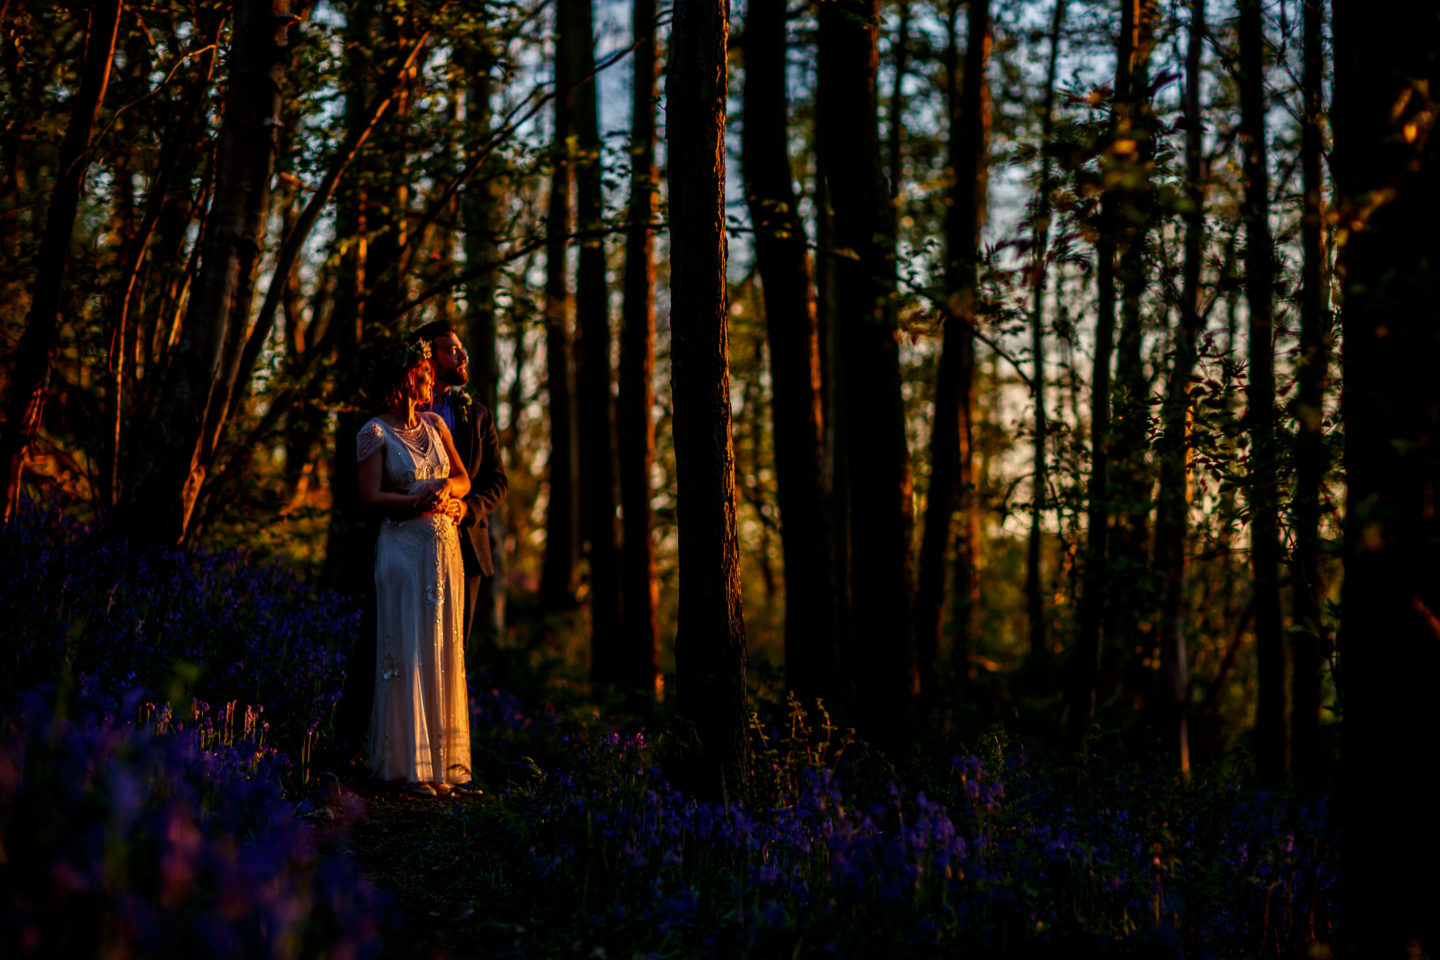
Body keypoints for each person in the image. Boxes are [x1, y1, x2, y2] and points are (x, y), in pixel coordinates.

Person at [355, 340, 473, 797]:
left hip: (443, 551)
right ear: (407, 377)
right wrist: (413, 500)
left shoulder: (437, 424)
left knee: (441, 648)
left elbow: (464, 479)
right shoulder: (374, 433)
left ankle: (440, 766)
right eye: (425, 371)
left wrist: (448, 490)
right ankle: (407, 768)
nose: (431, 378)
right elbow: (369, 498)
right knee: (406, 649)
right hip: (402, 548)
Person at [411, 319, 508, 645]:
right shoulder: (400, 411)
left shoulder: (477, 415)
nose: (463, 355)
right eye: (452, 350)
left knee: (453, 653)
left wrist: (467, 507)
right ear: (429, 358)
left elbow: (497, 480)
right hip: (408, 545)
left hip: (465, 547)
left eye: (462, 348)